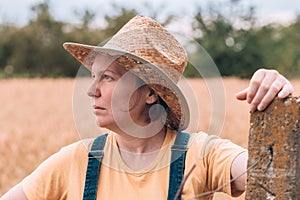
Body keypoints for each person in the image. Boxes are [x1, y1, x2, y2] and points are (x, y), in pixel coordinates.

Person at [1, 15, 293, 200]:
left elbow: (278, 174)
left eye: (108, 77)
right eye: (93, 77)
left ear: (151, 93)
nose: (92, 91)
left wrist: (278, 100)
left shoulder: (202, 154)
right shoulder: (75, 161)